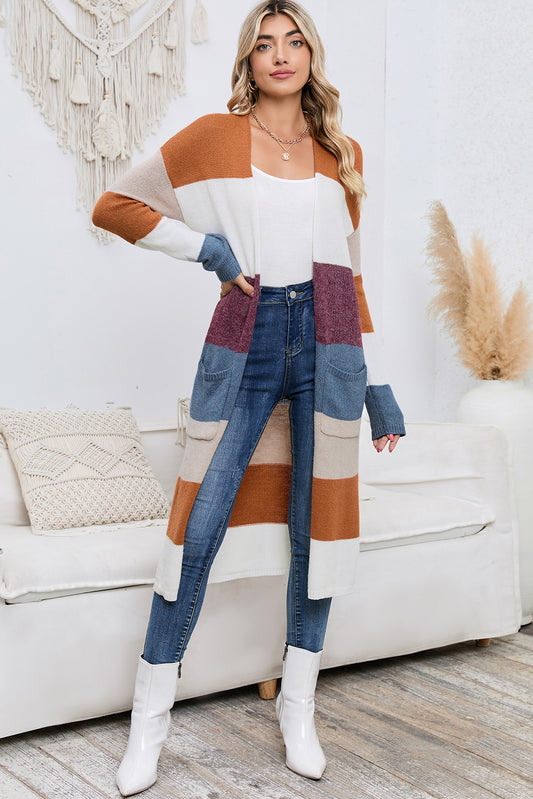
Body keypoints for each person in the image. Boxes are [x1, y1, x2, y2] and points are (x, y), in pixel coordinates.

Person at [93, 1, 405, 794]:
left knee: (317, 532)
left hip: (328, 342)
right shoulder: (216, 136)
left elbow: (353, 275)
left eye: (293, 40)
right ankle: (148, 726)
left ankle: (297, 709)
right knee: (197, 527)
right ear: (248, 59)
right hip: (248, 332)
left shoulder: (343, 151)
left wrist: (376, 387)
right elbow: (113, 206)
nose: (280, 54)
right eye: (264, 43)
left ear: (310, 56)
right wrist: (207, 247)